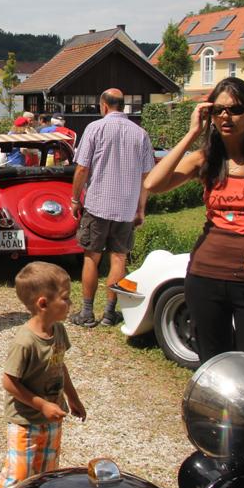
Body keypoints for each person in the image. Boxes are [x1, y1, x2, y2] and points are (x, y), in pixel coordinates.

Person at [144, 77, 244, 369]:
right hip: (205, 277)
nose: (226, 116)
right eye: (218, 110)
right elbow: (153, 183)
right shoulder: (205, 159)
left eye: (236, 109)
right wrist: (192, 133)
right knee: (214, 368)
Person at [0, 262, 86, 488]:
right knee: (20, 473)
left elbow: (60, 365)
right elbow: (9, 382)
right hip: (25, 420)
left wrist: (73, 399)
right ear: (43, 304)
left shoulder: (58, 331)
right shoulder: (25, 342)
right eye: (65, 298)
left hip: (52, 416)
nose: (71, 304)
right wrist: (41, 405)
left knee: (47, 471)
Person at [69, 89, 154, 328]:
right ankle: (109, 313)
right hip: (126, 206)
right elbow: (147, 175)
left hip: (98, 203)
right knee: (119, 258)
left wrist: (75, 199)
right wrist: (141, 208)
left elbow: (82, 168)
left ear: (104, 105)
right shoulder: (140, 134)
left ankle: (87, 312)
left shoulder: (95, 129)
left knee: (91, 257)